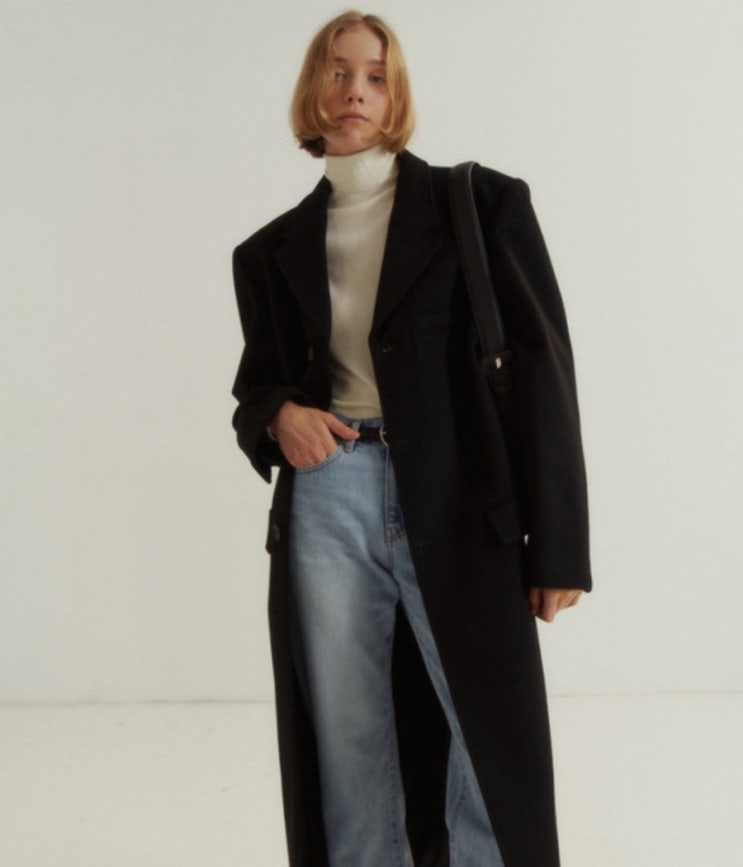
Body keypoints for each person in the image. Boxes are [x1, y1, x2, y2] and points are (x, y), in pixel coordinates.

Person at [230, 11, 591, 867]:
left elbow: (542, 370)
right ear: (311, 91)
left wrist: (560, 546)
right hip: (330, 492)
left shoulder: (478, 205)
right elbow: (257, 387)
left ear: (395, 96)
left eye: (374, 75)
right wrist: (279, 415)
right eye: (336, 72)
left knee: (484, 723)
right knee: (347, 728)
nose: (354, 90)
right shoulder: (269, 250)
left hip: (458, 493)